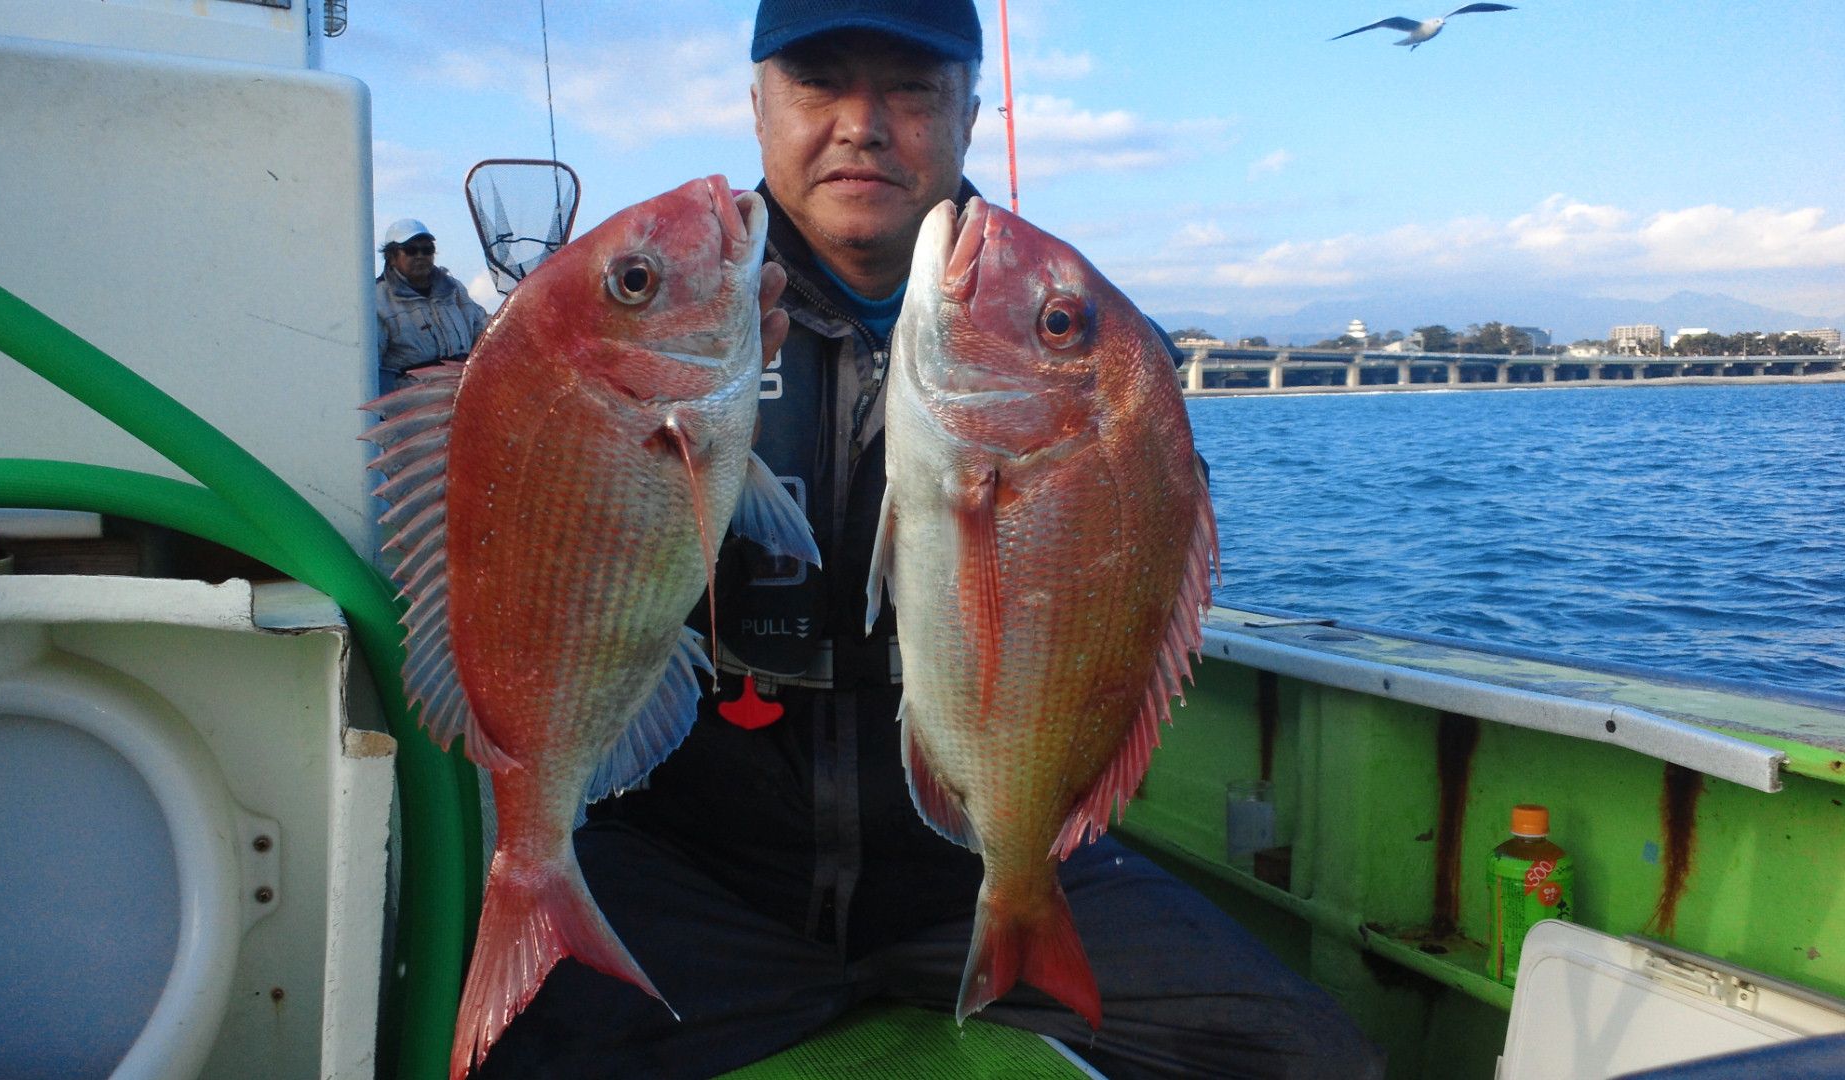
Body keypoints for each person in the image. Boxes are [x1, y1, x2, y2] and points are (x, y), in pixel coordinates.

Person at [479, 2, 1385, 1077]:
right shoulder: (646, 307)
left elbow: (1136, 584)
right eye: (819, 81)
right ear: (758, 106)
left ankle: (1013, 915)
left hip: (976, 866)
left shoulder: (1075, 336)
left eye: (911, 87)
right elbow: (525, 560)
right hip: (697, 862)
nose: (862, 124)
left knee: (1309, 1059)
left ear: (969, 113)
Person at [374, 218, 488, 390]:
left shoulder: (454, 289)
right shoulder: (376, 299)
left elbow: (483, 331)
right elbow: (368, 365)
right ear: (391, 257)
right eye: (411, 250)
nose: (420, 256)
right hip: (412, 402)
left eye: (427, 250)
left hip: (463, 393)